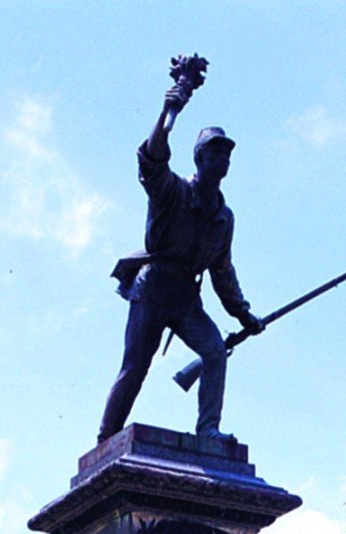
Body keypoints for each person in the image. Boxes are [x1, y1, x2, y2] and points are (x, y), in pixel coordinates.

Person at [98, 85, 264, 443]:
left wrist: (243, 315)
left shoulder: (224, 218)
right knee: (135, 368)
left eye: (227, 154)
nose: (224, 159)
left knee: (215, 351)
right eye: (216, 152)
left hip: (186, 296)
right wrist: (168, 114)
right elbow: (152, 161)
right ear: (200, 159)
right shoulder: (172, 191)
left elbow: (223, 273)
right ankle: (105, 439)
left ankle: (208, 430)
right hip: (154, 286)